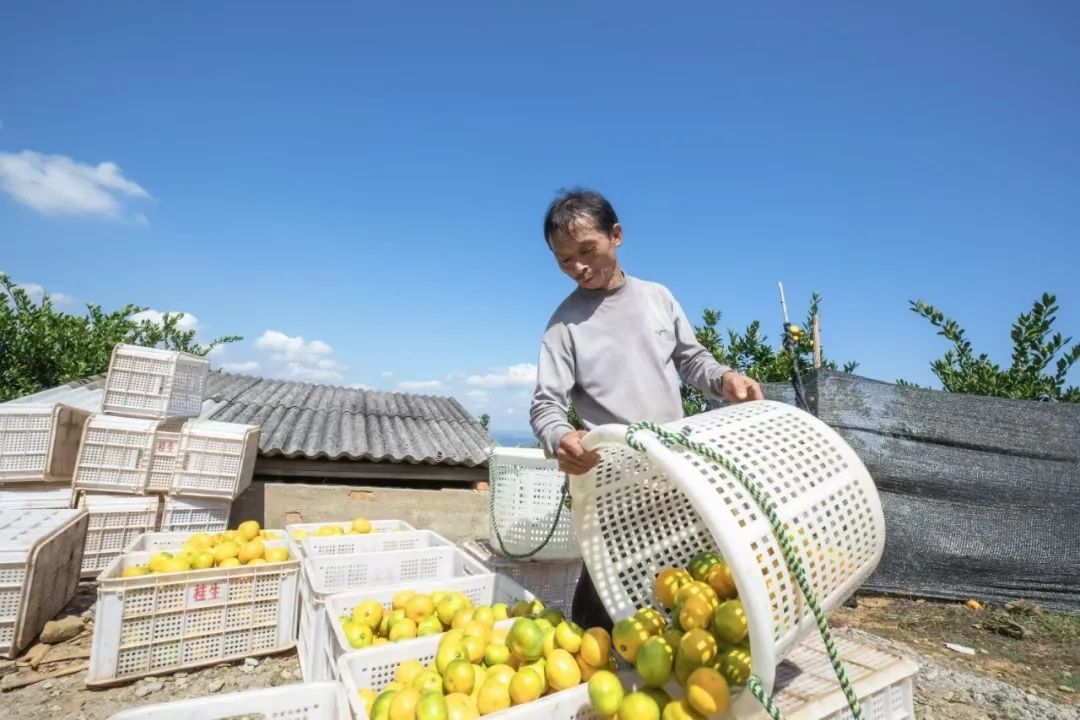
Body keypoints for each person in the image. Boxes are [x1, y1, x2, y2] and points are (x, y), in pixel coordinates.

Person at [529, 188, 764, 632]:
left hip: (676, 473)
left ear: (615, 236)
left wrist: (724, 379)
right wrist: (561, 437)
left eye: (587, 250)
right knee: (606, 599)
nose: (577, 267)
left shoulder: (658, 297)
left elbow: (692, 361)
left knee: (685, 588)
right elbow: (545, 405)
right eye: (564, 260)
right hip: (612, 485)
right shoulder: (564, 326)